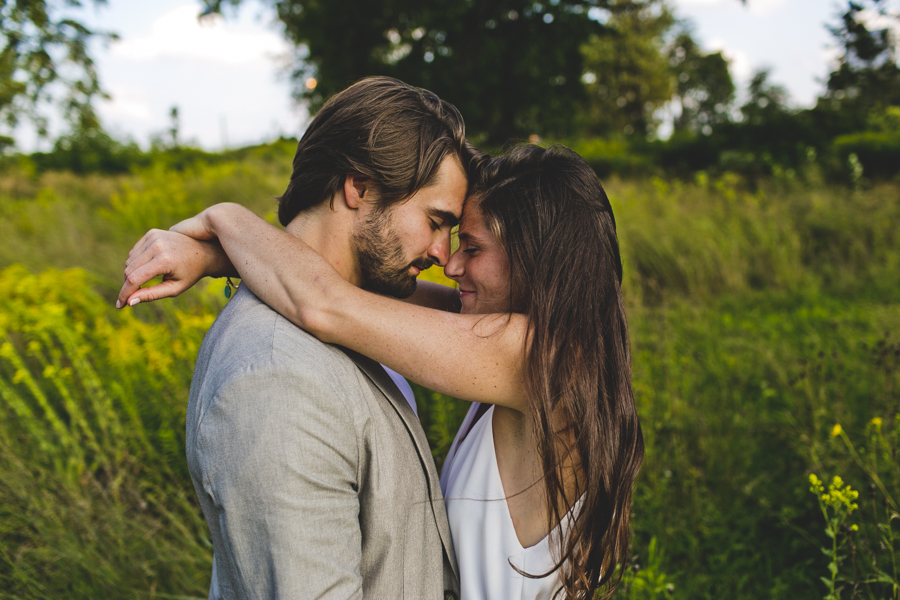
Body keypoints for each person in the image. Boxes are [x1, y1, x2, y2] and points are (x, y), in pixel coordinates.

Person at [119, 144, 644, 599]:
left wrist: (224, 219)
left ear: (535, 260)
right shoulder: (549, 342)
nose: (451, 265)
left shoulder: (538, 356)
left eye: (474, 248)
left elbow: (329, 304)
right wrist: (219, 260)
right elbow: (361, 287)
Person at [118, 76, 483, 599]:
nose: (444, 257)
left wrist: (221, 247)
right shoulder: (276, 378)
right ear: (359, 187)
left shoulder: (364, 313)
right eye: (435, 221)